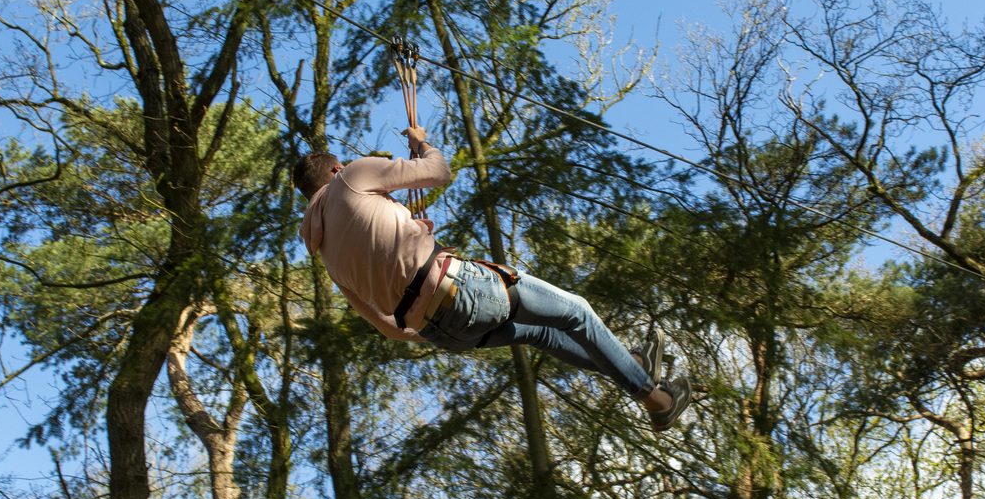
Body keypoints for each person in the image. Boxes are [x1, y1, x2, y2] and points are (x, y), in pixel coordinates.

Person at [294, 125, 692, 430]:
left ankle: (630, 362)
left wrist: (428, 319)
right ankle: (656, 400)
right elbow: (438, 172)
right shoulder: (351, 177)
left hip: (443, 331)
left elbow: (389, 329)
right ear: (335, 168)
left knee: (542, 334)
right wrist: (423, 145)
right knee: (577, 311)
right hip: (458, 290)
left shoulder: (327, 255)